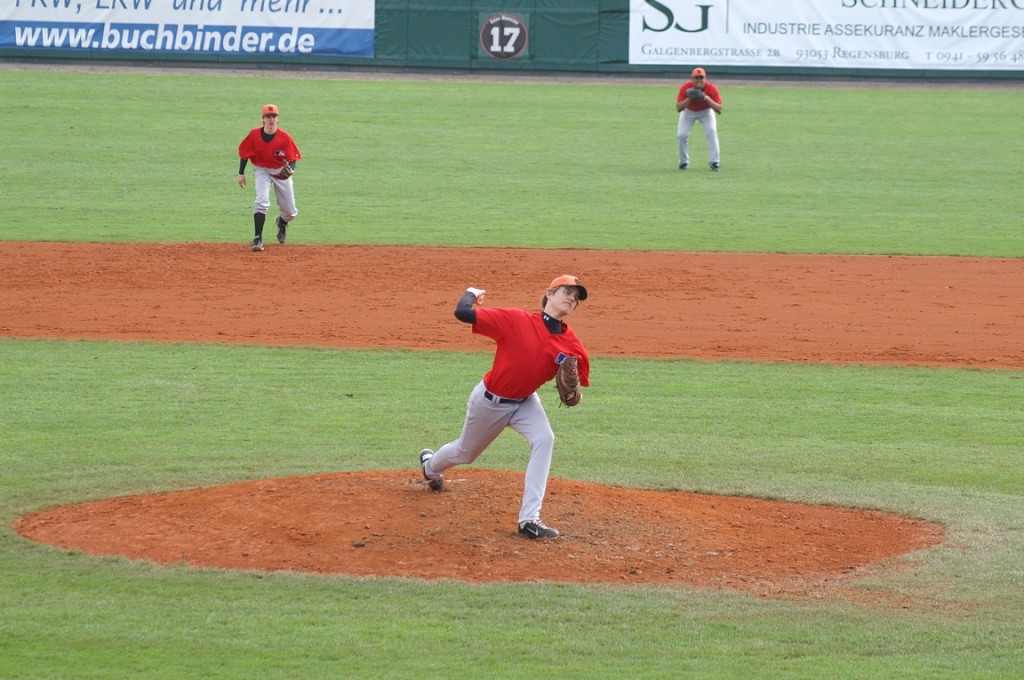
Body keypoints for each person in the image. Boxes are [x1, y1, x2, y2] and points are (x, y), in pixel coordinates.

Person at [419, 275, 592, 540]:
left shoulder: (573, 345)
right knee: (465, 453)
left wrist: (574, 395)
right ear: (549, 293)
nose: (572, 298)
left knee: (545, 439)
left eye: (576, 297)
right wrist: (471, 292)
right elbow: (462, 313)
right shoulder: (516, 320)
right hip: (490, 401)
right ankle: (431, 468)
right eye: (567, 292)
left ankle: (529, 520)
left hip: (525, 401)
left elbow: (576, 386)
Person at [237, 104, 302, 252]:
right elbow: (245, 153)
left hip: (280, 171)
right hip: (262, 169)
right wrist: (241, 173)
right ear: (263, 119)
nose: (271, 119)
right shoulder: (254, 135)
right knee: (261, 201)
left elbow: (292, 159)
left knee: (290, 212)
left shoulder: (284, 137)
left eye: (274, 116)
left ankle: (282, 222)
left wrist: (290, 170)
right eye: (268, 116)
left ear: (277, 119)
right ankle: (258, 238)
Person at [676, 67, 724, 172]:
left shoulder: (711, 88)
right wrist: (690, 98)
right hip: (688, 111)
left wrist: (707, 98)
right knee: (682, 135)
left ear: (705, 78)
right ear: (692, 79)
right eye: (696, 78)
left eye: (701, 78)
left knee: (711, 131)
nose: (699, 80)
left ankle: (715, 162)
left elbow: (719, 109)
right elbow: (679, 108)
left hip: (706, 111)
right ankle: (683, 161)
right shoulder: (685, 87)